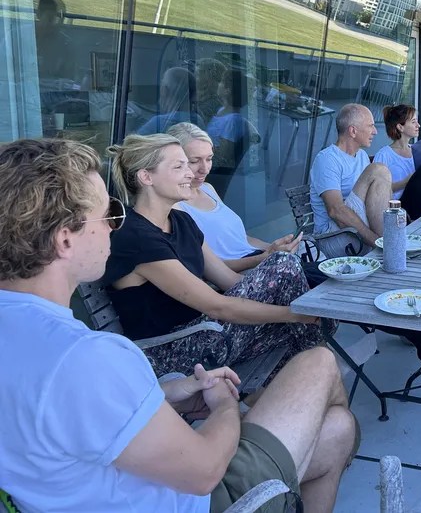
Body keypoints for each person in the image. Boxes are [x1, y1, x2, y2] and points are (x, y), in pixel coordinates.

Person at [0, 138, 356, 513]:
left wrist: (163, 393)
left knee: (338, 429)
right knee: (320, 364)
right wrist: (224, 405)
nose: (112, 227)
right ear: (65, 239)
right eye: (107, 215)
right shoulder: (86, 356)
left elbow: (68, 418)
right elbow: (203, 472)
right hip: (202, 500)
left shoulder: (28, 338)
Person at [103, 133, 334, 380]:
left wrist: (292, 304)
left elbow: (229, 281)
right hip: (172, 351)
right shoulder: (136, 237)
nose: (190, 174)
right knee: (286, 270)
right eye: (179, 166)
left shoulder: (181, 221)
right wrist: (297, 312)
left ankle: (287, 390)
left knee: (308, 323)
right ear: (146, 177)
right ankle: (309, 378)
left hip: (208, 333)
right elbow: (217, 305)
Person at [167, 123, 330, 289]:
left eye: (209, 159)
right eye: (194, 161)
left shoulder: (207, 189)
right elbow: (208, 268)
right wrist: (264, 257)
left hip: (260, 259)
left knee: (331, 270)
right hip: (244, 272)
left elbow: (242, 238)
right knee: (327, 282)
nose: (205, 169)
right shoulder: (174, 207)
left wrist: (276, 249)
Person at [309, 104, 392, 257]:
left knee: (380, 172)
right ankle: (388, 246)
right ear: (353, 131)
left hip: (356, 231)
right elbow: (336, 211)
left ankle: (389, 245)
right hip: (333, 238)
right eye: (371, 126)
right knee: (379, 170)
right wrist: (376, 241)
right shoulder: (327, 159)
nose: (375, 131)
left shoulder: (361, 156)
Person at [373, 104, 421, 220]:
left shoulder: (417, 151)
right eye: (413, 122)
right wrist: (408, 180)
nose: (418, 125)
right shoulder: (385, 155)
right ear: (400, 127)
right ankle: (416, 218)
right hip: (400, 207)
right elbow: (377, 191)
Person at [136, 66, 203, 135]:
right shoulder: (198, 120)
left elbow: (133, 144)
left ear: (164, 90)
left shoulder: (157, 122)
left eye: (163, 85)